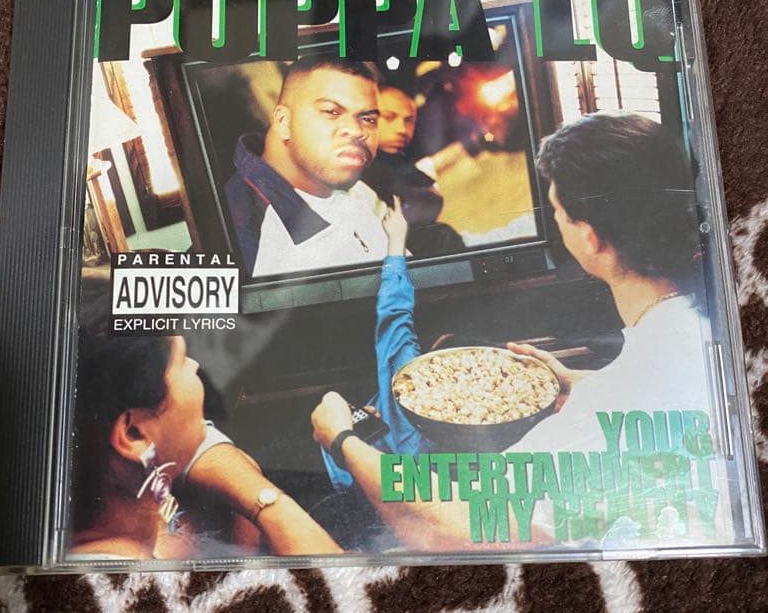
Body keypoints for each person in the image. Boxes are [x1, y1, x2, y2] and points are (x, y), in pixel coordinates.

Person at [310, 113, 712, 551]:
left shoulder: (595, 415)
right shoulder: (694, 325)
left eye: (557, 213)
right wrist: (583, 382)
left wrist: (343, 439)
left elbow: (449, 527)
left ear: (590, 237)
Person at [68, 306, 340, 561]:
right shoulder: (140, 579)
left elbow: (200, 439)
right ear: (133, 433)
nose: (194, 365)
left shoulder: (122, 485)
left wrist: (260, 503)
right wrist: (343, 442)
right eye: (180, 361)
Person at [224, 56, 388, 277]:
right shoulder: (242, 236)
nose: (357, 130)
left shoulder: (352, 189)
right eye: (331, 111)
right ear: (283, 121)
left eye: (368, 119)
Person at [362, 85, 465, 256]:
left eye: (409, 121)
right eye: (389, 117)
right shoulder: (359, 168)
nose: (402, 129)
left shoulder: (398, 161)